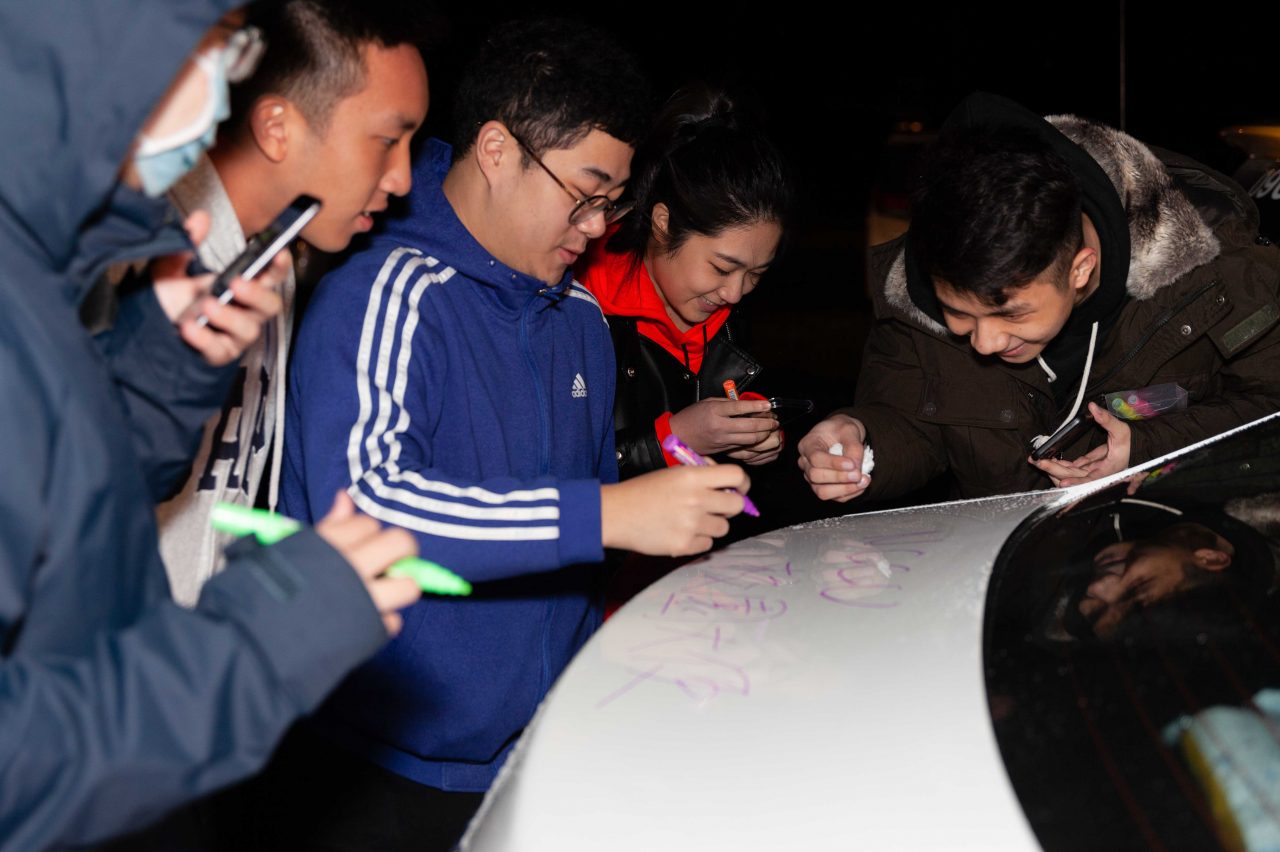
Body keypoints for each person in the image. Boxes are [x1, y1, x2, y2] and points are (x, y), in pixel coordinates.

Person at [268, 19, 752, 851]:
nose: (597, 227)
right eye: (584, 193)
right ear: (497, 150)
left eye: (613, 202)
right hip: (376, 767)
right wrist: (607, 514)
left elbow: (582, 546)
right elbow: (368, 511)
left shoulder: (581, 317)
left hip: (537, 753)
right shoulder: (388, 290)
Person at [0, 3, 419, 848]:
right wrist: (265, 642)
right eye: (219, 46)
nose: (231, 81)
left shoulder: (47, 272)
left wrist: (160, 370)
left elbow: (67, 514)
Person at [798, 92, 1280, 504]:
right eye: (958, 312)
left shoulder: (1213, 271)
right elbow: (911, 421)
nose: (984, 341)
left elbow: (1270, 408)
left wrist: (1151, 446)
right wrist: (860, 440)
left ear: (1080, 269)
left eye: (1010, 313)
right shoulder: (925, 282)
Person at [155, 0, 431, 606]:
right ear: (277, 128)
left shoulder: (272, 261)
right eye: (388, 141)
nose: (402, 179)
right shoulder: (151, 257)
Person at [575, 84, 792, 479]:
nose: (735, 293)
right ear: (664, 224)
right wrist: (673, 440)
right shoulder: (575, 304)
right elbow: (561, 471)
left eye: (756, 274)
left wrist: (752, 429)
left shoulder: (719, 311)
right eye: (722, 268)